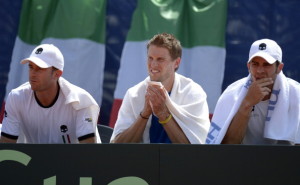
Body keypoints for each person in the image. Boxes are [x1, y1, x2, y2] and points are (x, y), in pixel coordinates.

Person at [110, 33, 210, 144]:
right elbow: (117, 146)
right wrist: (144, 114)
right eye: (150, 58)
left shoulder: (193, 93)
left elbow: (197, 150)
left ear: (176, 63)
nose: (153, 64)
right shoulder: (133, 94)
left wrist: (163, 114)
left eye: (160, 59)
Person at [0, 44, 101, 143]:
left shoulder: (81, 101)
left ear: (57, 74)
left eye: (39, 68)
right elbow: (7, 147)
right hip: (31, 159)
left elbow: (88, 154)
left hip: (73, 160)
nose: (32, 74)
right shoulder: (15, 98)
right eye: (30, 67)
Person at [206, 39, 300, 145]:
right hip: (243, 160)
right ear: (248, 66)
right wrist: (247, 103)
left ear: (279, 68)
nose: (260, 71)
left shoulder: (296, 94)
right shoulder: (231, 94)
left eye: (266, 65)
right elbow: (228, 146)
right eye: (255, 64)